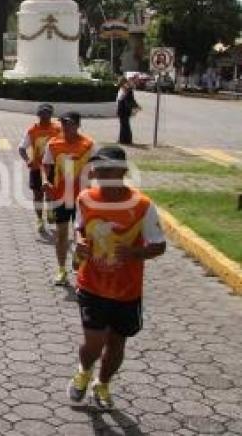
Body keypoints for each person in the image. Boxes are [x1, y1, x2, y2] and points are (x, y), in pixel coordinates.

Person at [67, 145, 166, 410]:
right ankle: (84, 371)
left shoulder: (142, 206)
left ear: (123, 171)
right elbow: (79, 229)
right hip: (92, 284)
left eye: (107, 169)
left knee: (116, 343)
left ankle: (102, 383)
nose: (101, 174)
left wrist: (134, 252)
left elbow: (159, 246)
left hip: (126, 290)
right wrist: (79, 243)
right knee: (94, 343)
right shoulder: (86, 198)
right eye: (98, 169)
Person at [42, 111, 97, 286]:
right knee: (61, 234)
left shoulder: (89, 145)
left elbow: (98, 166)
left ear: (78, 125)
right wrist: (45, 180)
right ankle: (61, 270)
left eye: (70, 123)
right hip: (60, 197)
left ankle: (77, 259)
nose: (66, 127)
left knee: (81, 234)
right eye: (63, 123)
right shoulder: (54, 144)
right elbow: (46, 165)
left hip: (83, 198)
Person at [18, 103, 62, 233]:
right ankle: (39, 219)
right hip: (36, 168)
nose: (44, 116)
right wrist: (28, 159)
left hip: (53, 167)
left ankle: (50, 211)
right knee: (38, 195)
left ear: (51, 115)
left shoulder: (58, 129)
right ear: (38, 115)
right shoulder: (32, 130)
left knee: (51, 193)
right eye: (42, 113)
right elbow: (21, 148)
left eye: (47, 113)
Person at [116, 77, 139, 145]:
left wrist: (134, 107)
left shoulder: (127, 89)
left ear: (123, 82)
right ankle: (123, 139)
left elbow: (128, 100)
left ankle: (126, 140)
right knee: (124, 125)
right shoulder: (123, 88)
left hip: (124, 109)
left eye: (120, 82)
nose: (119, 83)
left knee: (125, 125)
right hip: (121, 108)